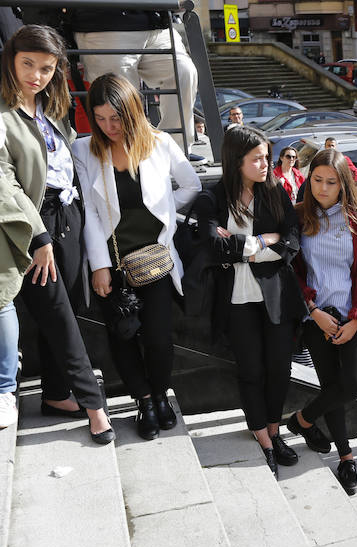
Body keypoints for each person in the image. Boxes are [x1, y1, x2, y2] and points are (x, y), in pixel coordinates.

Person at [0, 25, 113, 443]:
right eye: (27, 63)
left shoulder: (48, 109)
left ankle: (55, 394)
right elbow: (4, 183)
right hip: (32, 224)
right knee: (59, 314)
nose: (36, 75)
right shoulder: (3, 115)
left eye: (46, 68)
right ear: (11, 58)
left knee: (65, 307)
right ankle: (93, 405)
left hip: (68, 216)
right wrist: (38, 236)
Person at [74, 72, 201, 442]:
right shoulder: (85, 150)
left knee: (160, 337)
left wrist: (163, 209)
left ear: (132, 112)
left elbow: (192, 184)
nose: (108, 127)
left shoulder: (159, 143)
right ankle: (143, 400)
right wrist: (99, 265)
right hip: (113, 262)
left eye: (115, 118)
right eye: (99, 119)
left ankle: (161, 393)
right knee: (123, 336)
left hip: (156, 259)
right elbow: (91, 214)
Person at [193, 125, 300, 475]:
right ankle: (263, 438)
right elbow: (213, 247)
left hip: (276, 298)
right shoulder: (213, 198)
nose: (265, 164)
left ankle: (274, 428)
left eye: (267, 157)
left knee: (279, 369)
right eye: (257, 159)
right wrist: (263, 242)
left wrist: (243, 247)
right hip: (235, 300)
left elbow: (292, 243)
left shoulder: (275, 194)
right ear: (236, 161)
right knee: (251, 370)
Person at [290, 148, 357, 495]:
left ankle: (302, 420)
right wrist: (312, 310)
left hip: (353, 315)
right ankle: (346, 458)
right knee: (330, 386)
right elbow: (293, 270)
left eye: (331, 182)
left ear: (344, 183)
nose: (323, 188)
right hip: (317, 316)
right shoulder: (299, 216)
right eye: (317, 180)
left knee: (354, 385)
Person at [70, 9, 198, 152]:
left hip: (157, 23)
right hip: (105, 24)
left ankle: (172, 151)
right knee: (117, 92)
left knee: (184, 72)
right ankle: (128, 155)